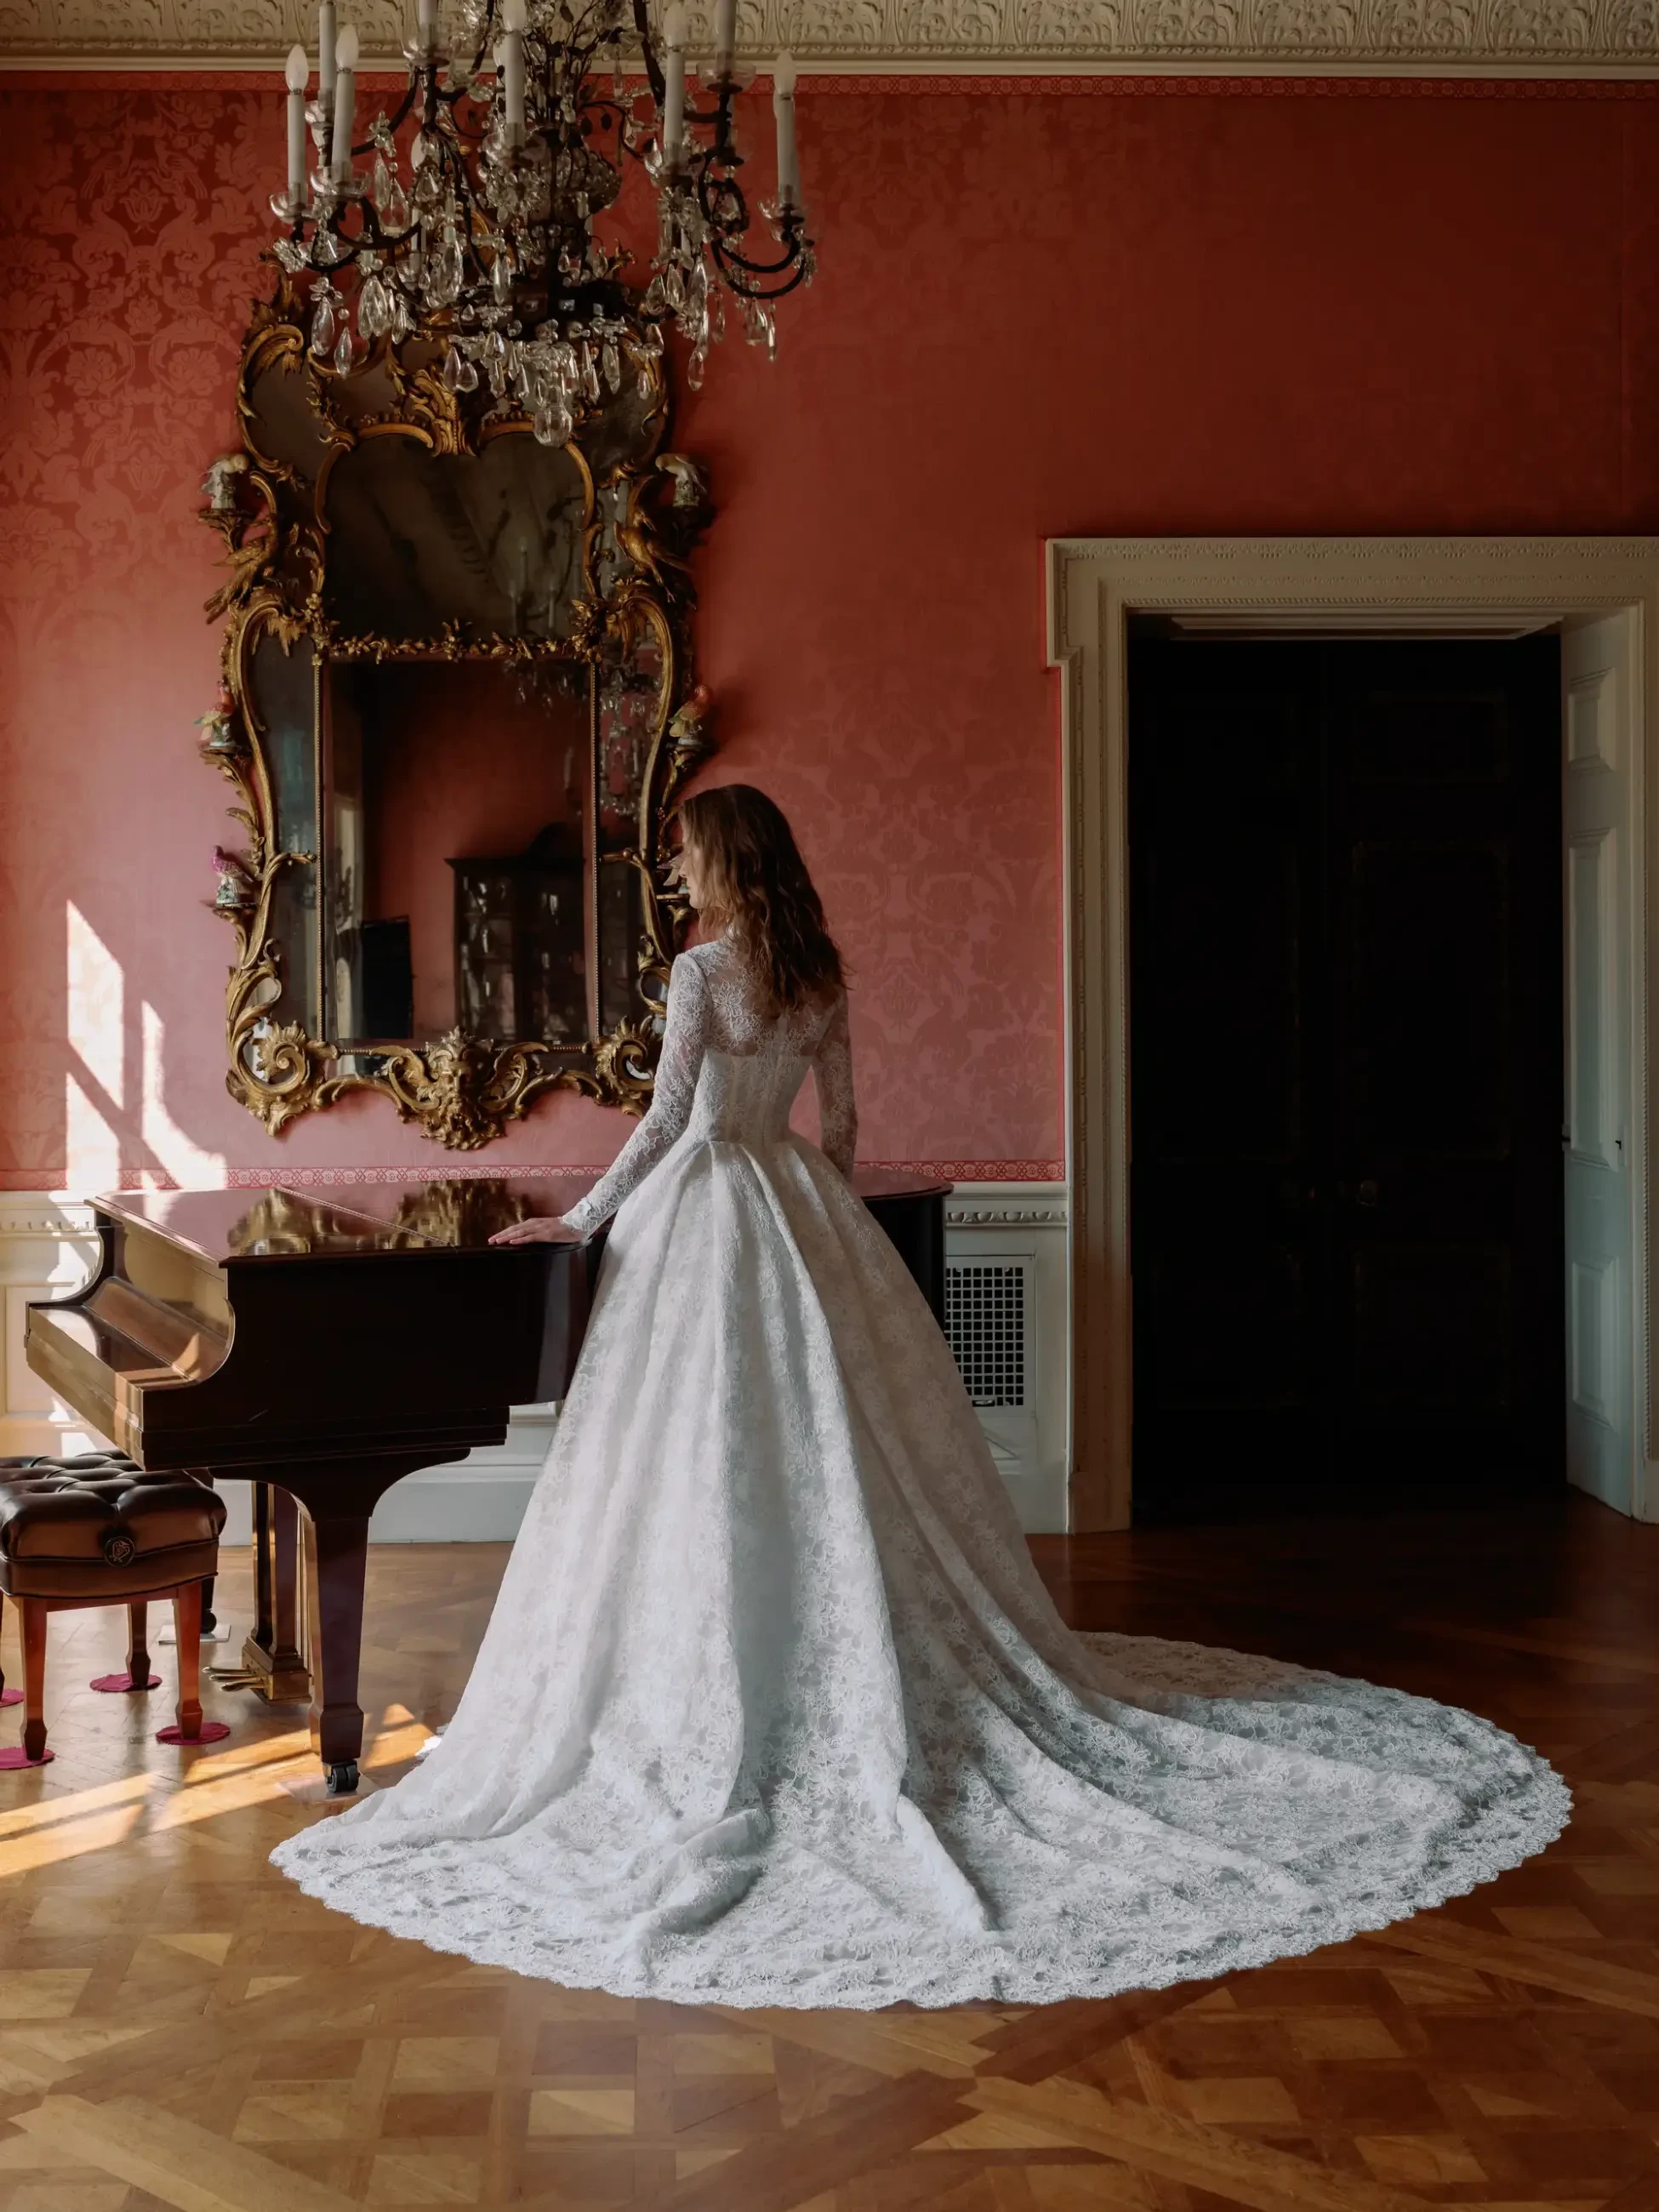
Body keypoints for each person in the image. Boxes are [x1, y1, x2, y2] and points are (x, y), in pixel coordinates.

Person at [271, 783, 1567, 2010]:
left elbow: (669, 1124)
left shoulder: (702, 971)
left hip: (707, 1215)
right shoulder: (815, 971)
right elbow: (840, 1129)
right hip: (799, 1207)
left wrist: (580, 1222)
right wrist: (826, 1225)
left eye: (687, 852)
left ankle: (711, 1666)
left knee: (698, 1450)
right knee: (825, 1445)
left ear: (723, 860)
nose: (676, 870)